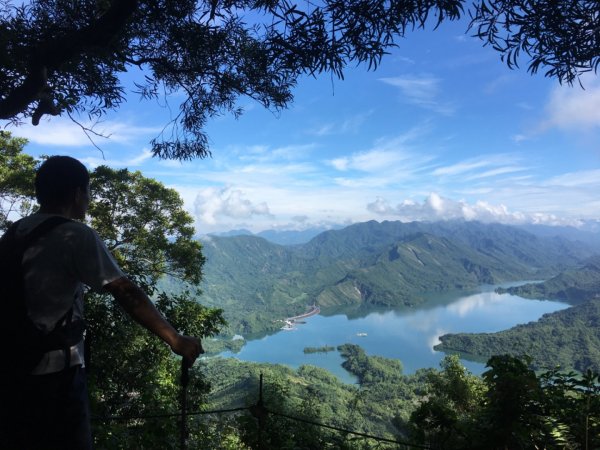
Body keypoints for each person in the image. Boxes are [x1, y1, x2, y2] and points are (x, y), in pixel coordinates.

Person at [0, 155, 203, 449]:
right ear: (76, 193)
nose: (89, 199)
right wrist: (174, 338)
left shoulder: (13, 233)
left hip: (12, 371)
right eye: (88, 191)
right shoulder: (75, 234)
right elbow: (125, 292)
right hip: (56, 376)